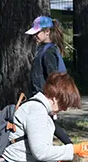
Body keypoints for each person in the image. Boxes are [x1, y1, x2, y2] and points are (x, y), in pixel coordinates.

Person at [26, 16, 71, 144]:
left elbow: (53, 76)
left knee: (47, 126)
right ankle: (69, 146)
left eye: (37, 32)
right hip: (40, 95)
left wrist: (52, 97)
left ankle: (70, 147)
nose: (34, 36)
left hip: (45, 96)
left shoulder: (49, 51)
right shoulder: (43, 48)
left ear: (47, 32)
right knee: (46, 126)